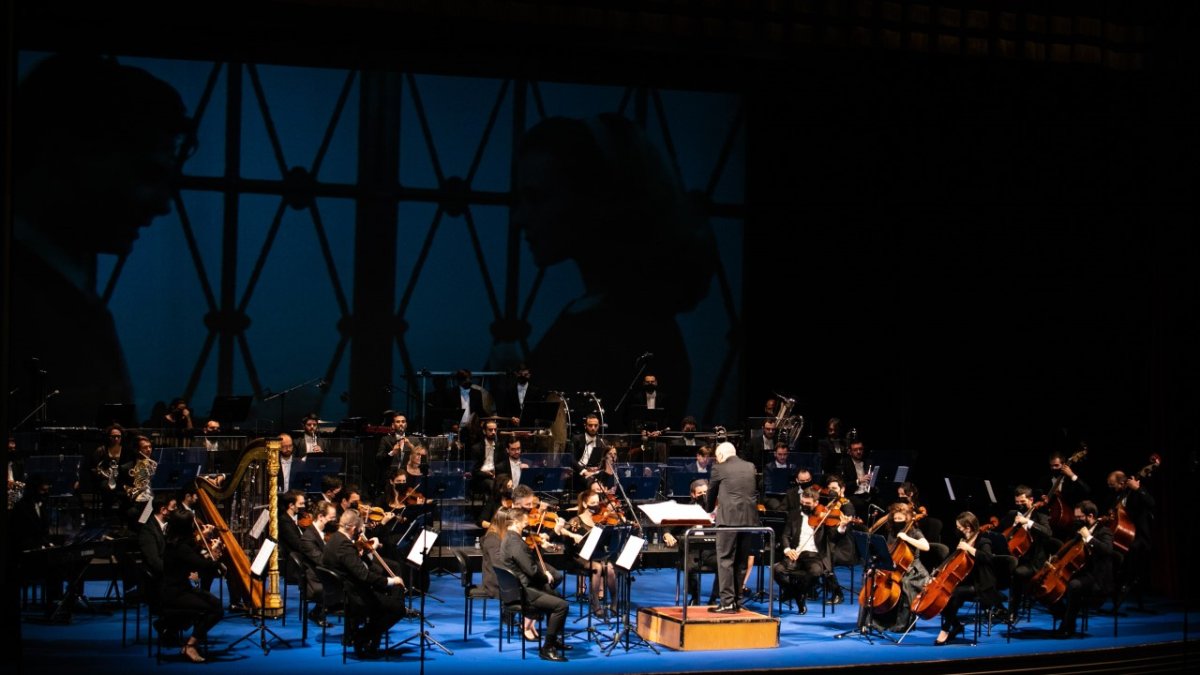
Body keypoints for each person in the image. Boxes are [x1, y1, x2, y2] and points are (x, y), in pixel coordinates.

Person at [10, 54, 193, 425]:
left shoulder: (58, 292)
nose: (161, 206)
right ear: (68, 152)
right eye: (145, 174)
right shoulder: (49, 302)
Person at [514, 114, 716, 422]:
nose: (521, 218)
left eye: (538, 197)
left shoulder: (630, 328)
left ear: (591, 196)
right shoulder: (613, 314)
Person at [321, 509, 408, 659]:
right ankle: (360, 637)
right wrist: (391, 581)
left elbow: (354, 567)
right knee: (398, 609)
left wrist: (361, 554)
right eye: (359, 530)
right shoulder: (344, 546)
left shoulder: (335, 539)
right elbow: (364, 575)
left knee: (387, 599)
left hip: (344, 590)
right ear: (353, 528)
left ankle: (370, 641)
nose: (360, 533)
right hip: (353, 595)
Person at [498, 506, 570, 662]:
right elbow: (531, 570)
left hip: (521, 587)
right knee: (562, 606)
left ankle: (553, 640)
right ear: (517, 522)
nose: (527, 523)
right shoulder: (515, 543)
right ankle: (547, 649)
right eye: (525, 521)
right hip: (525, 591)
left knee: (556, 596)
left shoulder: (511, 538)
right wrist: (546, 576)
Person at [772, 487, 849, 614]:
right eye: (802, 502)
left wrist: (842, 526)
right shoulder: (794, 514)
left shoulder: (824, 516)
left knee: (816, 572)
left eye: (808, 504)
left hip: (815, 555)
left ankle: (796, 594)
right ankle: (797, 594)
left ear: (816, 503)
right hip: (797, 553)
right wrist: (787, 549)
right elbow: (785, 535)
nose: (804, 505)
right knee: (777, 570)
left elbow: (833, 536)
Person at [161, 510, 224, 663]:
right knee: (216, 609)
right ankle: (190, 646)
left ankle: (173, 628)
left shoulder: (176, 542)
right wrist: (215, 554)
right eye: (192, 524)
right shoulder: (180, 547)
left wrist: (207, 546)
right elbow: (203, 566)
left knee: (215, 603)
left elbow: (196, 558)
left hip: (179, 588)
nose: (195, 528)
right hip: (174, 593)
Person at [933, 512, 1002, 645]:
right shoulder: (964, 540)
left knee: (953, 595)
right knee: (942, 597)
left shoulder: (983, 541)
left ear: (968, 527)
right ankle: (956, 625)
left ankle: (945, 629)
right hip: (966, 580)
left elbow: (988, 558)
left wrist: (969, 549)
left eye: (959, 527)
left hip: (981, 583)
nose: (957, 530)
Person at [706, 441, 759, 613]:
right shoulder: (750, 466)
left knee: (725, 560)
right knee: (741, 561)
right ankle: (737, 600)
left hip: (728, 520)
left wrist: (707, 509)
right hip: (749, 520)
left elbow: (711, 492)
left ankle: (727, 602)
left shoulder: (718, 468)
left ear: (720, 455)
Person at [1052, 500, 1115, 638]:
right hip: (1082, 573)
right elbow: (1069, 547)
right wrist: (1056, 557)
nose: (1077, 520)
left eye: (1080, 517)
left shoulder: (1104, 531)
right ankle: (1065, 617)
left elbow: (1107, 550)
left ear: (1090, 516)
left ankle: (1068, 625)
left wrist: (1089, 538)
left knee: (1073, 585)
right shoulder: (1079, 530)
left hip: (1097, 577)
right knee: (1053, 587)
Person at [868, 501, 930, 632]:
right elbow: (890, 553)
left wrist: (907, 538)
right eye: (895, 518)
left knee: (905, 584)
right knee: (873, 579)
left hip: (914, 570)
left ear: (907, 518)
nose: (897, 521)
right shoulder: (892, 532)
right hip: (896, 567)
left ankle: (903, 624)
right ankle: (878, 620)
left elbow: (926, 546)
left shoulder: (914, 531)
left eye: (900, 519)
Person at [558, 490, 619, 618]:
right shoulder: (576, 520)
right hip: (579, 556)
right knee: (596, 568)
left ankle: (614, 601)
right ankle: (595, 603)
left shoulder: (601, 519)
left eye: (597, 502)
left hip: (597, 554)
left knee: (609, 568)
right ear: (585, 504)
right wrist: (572, 535)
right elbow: (561, 530)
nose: (596, 505)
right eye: (593, 503)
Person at [662, 479, 718, 605]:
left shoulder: (716, 509)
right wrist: (667, 533)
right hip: (691, 551)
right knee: (689, 564)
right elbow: (669, 525)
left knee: (724, 564)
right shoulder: (686, 509)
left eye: (706, 492)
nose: (703, 496)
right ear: (693, 495)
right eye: (700, 493)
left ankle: (714, 599)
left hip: (711, 551)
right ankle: (695, 596)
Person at [1003, 484, 1052, 623]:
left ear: (1031, 500)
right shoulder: (1014, 514)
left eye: (1022, 502)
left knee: (1017, 574)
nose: (1020, 505)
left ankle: (1013, 611)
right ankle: (997, 606)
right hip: (1017, 557)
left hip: (1034, 561)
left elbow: (1048, 533)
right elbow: (1003, 534)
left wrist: (1028, 522)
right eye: (1017, 502)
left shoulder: (1040, 514)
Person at [298, 500, 337, 628]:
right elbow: (321, 561)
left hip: (323, 572)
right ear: (320, 517)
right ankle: (318, 612)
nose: (334, 521)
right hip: (315, 578)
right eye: (332, 518)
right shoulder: (308, 537)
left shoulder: (325, 533)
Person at [374, 412, 415, 493]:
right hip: (390, 479)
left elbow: (422, 456)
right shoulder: (385, 440)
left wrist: (412, 447)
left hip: (408, 480)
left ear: (406, 424)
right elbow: (378, 458)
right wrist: (392, 452)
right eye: (398, 422)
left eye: (403, 422)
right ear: (393, 425)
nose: (401, 424)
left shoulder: (414, 440)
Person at [571, 414, 608, 491]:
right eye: (590, 425)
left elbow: (602, 461)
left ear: (599, 426)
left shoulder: (601, 442)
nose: (593, 428)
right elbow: (571, 459)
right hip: (580, 471)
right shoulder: (577, 439)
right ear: (585, 426)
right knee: (594, 483)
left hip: (595, 471)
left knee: (611, 477)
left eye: (595, 425)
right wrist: (584, 471)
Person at [469, 418, 501, 501]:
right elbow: (474, 471)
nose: (493, 432)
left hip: (496, 475)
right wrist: (488, 474)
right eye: (490, 430)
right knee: (493, 485)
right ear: (484, 431)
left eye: (495, 430)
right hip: (482, 478)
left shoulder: (499, 446)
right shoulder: (476, 448)